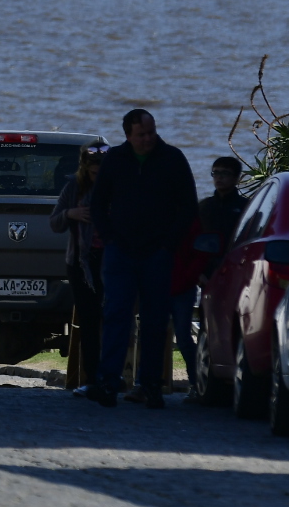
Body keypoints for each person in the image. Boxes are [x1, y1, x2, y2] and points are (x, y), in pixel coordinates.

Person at [87, 109, 198, 409]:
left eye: (151, 132)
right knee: (116, 316)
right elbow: (97, 203)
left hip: (157, 254)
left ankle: (150, 386)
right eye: (141, 134)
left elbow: (188, 207)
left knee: (155, 321)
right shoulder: (115, 159)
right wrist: (109, 238)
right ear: (128, 136)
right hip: (120, 252)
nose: (148, 139)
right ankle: (108, 383)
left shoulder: (172, 159)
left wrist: (168, 244)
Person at [169, 157, 248, 402]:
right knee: (207, 330)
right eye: (216, 172)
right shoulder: (204, 208)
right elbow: (193, 245)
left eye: (226, 173)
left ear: (237, 178)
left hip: (237, 275)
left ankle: (236, 385)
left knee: (237, 328)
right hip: (207, 276)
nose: (220, 177)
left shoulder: (245, 207)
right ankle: (203, 386)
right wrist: (199, 274)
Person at [49, 143, 106, 394]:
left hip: (112, 260)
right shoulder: (74, 187)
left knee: (114, 319)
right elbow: (54, 222)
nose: (98, 177)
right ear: (85, 169)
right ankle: (92, 378)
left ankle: (113, 375)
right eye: (94, 173)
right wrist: (72, 213)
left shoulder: (117, 187)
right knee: (89, 321)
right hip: (81, 263)